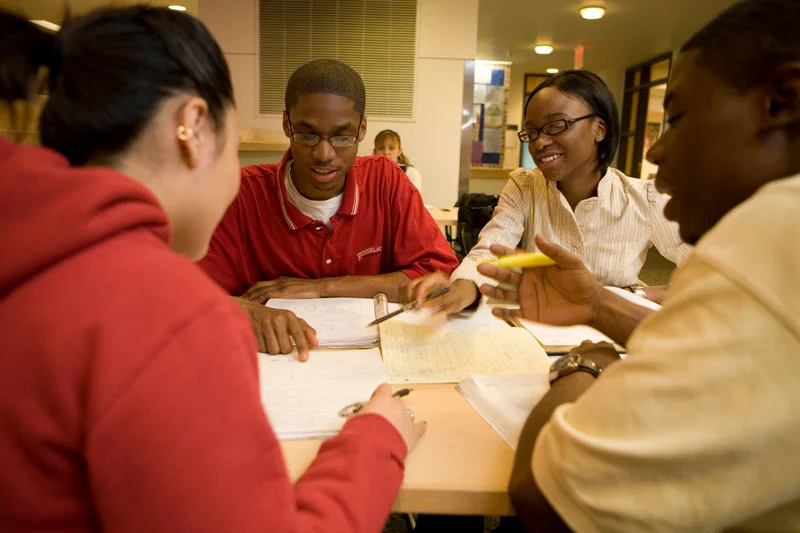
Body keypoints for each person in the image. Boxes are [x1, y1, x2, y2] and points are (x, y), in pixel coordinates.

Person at [0, 8, 424, 533]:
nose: (322, 154)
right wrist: (377, 436)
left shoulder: (36, 254)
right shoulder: (169, 314)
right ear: (195, 125)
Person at [476, 0, 800, 530]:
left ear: (783, 100)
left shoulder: (763, 245)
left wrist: (586, 364)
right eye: (533, 133)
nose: (657, 152)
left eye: (678, 118)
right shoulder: (525, 186)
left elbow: (545, 492)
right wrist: (599, 304)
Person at [197, 59, 457, 359]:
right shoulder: (240, 194)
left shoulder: (386, 181)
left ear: (362, 130)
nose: (323, 153)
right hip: (278, 371)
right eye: (307, 135)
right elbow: (185, 292)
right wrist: (246, 311)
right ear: (286, 124)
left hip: (374, 368)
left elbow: (437, 278)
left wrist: (322, 288)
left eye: (342, 136)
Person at [407, 70, 691, 314]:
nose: (540, 143)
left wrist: (635, 295)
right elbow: (489, 251)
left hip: (615, 334)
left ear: (599, 129)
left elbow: (710, 270)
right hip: (538, 332)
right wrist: (459, 290)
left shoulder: (644, 198)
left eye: (556, 126)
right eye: (532, 132)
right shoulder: (525, 186)